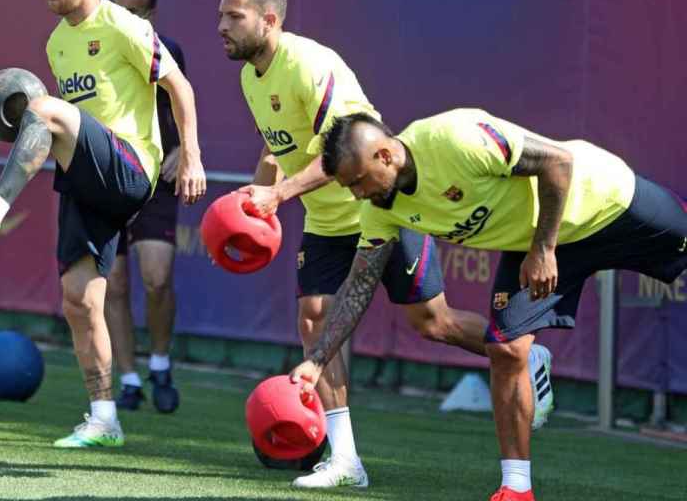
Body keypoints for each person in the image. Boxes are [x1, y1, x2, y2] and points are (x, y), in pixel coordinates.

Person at [218, 0, 554, 489]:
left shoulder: (311, 65)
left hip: (387, 208)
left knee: (432, 323)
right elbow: (278, 147)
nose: (222, 25)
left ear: (269, 19)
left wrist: (280, 194)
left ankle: (527, 357)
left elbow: (345, 156)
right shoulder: (249, 79)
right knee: (315, 320)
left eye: (233, 16)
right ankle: (345, 461)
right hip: (326, 222)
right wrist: (258, 197)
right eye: (221, 15)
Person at [291, 110, 687, 500]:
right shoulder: (379, 209)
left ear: (385, 155)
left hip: (603, 202)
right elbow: (360, 284)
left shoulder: (453, 139)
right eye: (349, 188)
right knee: (505, 348)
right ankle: (517, 488)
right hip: (534, 241)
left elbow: (557, 161)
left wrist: (544, 249)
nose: (358, 194)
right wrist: (319, 357)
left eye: (358, 182)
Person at [0, 0, 206, 447]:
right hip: (87, 175)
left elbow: (179, 88)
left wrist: (189, 153)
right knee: (78, 300)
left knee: (46, 107)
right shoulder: (57, 42)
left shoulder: (125, 25)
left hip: (132, 168)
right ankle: (104, 418)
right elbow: (58, 132)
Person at [105, 0, 186, 414]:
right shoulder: (95, 47)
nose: (122, 18)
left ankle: (159, 363)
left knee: (156, 279)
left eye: (132, 11)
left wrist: (184, 151)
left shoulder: (167, 51)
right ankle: (130, 379)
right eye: (117, 8)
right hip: (110, 181)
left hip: (156, 181)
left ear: (151, 14)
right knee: (113, 284)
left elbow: (182, 102)